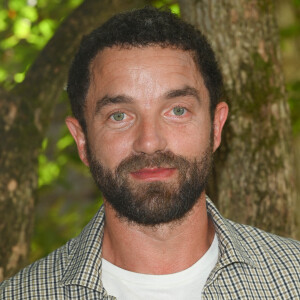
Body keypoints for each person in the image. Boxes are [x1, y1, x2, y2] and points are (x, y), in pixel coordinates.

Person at [1, 6, 299, 300]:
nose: (149, 142)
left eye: (177, 110)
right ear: (82, 141)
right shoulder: (21, 295)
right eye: (119, 116)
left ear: (216, 127)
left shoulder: (292, 279)